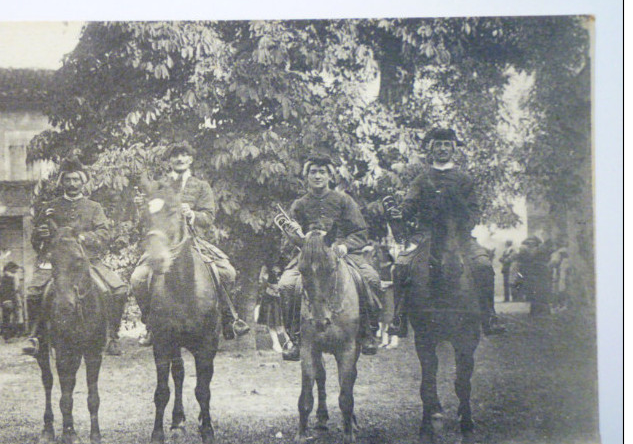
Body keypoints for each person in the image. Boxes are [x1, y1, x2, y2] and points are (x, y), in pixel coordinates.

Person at [387, 128, 506, 337]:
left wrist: (463, 221)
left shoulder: (464, 179)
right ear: (431, 149)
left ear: (453, 149)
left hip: (458, 237)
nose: (442, 149)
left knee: (484, 265)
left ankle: (490, 316)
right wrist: (398, 213)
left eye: (446, 145)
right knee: (401, 265)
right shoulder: (421, 179)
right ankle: (399, 318)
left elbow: (474, 211)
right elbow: (408, 207)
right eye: (438, 145)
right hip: (425, 236)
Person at [130, 141, 251, 344]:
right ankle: (151, 325)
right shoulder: (159, 185)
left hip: (195, 241)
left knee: (227, 272)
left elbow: (209, 217)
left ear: (190, 159)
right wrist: (140, 208)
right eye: (175, 155)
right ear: (169, 161)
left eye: (183, 155)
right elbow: (146, 218)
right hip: (164, 244)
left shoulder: (201, 186)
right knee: (137, 278)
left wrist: (192, 214)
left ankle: (228, 318)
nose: (179, 159)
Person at [276, 147, 383, 359]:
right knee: (286, 285)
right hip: (308, 259)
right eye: (313, 171)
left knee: (370, 278)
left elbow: (361, 231)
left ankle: (368, 332)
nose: (317, 176)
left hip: (343, 255)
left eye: (322, 172)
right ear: (306, 176)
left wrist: (344, 245)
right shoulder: (299, 205)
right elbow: (287, 241)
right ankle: (294, 338)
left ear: (330, 175)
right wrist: (300, 240)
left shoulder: (344, 201)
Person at [22, 157, 128, 357]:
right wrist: (40, 235)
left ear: (83, 182)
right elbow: (36, 241)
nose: (72, 184)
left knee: (119, 290)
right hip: (56, 261)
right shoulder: (50, 207)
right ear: (62, 182)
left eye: (76, 180)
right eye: (68, 180)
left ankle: (112, 336)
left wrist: (83, 237)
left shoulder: (93, 207)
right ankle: (35, 336)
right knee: (34, 293)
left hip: (88, 260)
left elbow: (105, 234)